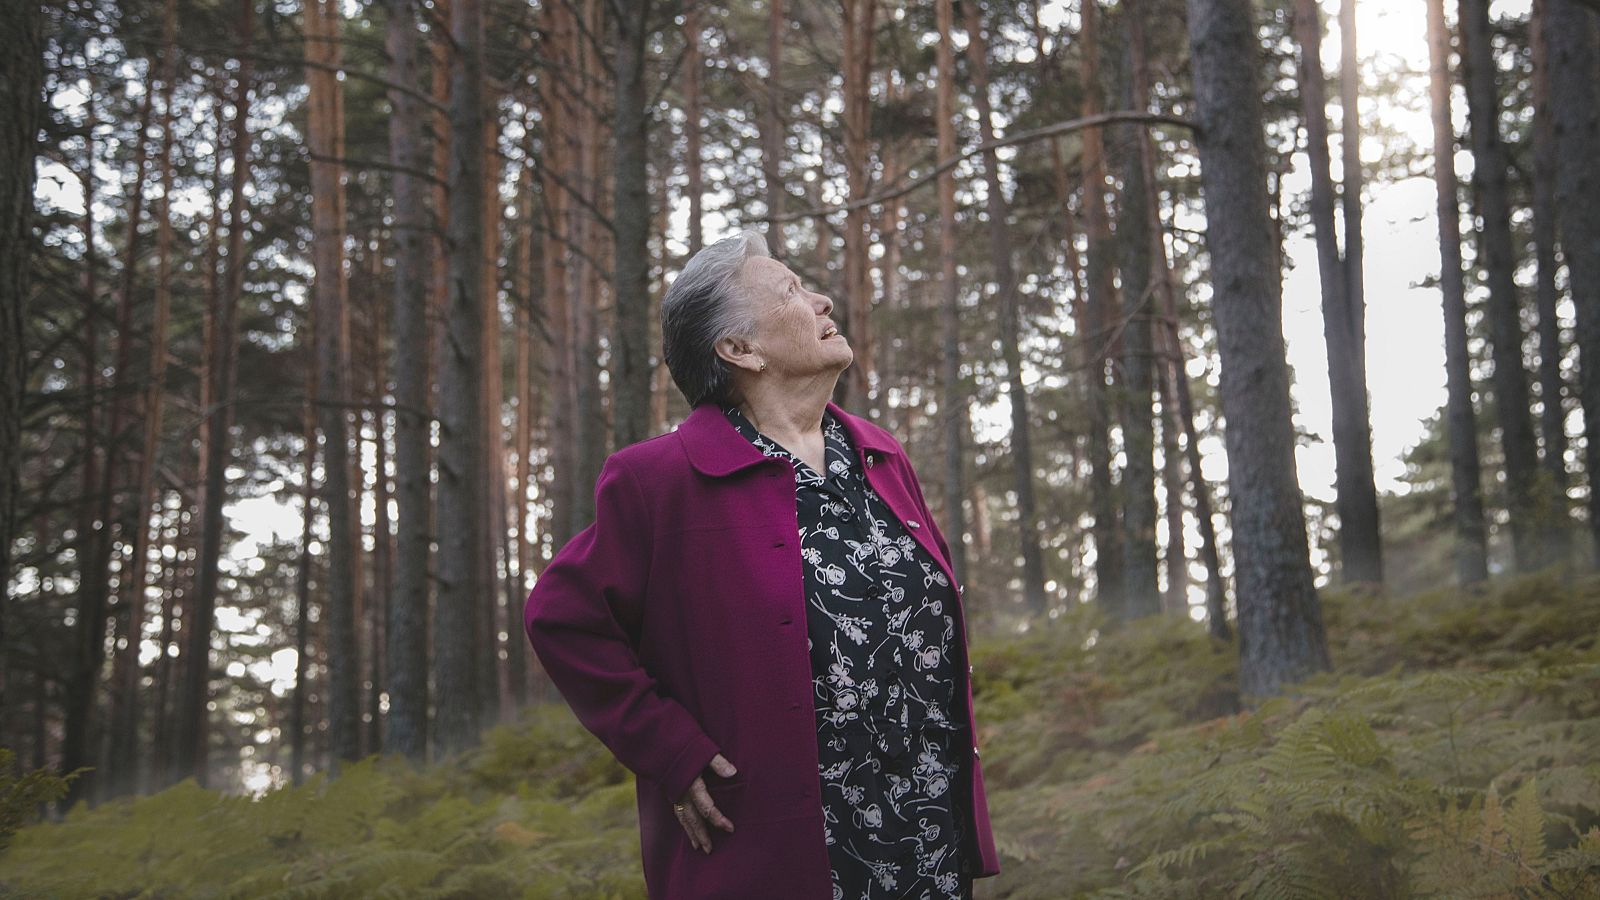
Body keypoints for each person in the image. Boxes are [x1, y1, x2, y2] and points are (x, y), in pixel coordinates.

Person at [523, 229, 999, 898]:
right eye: (792, 291)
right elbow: (561, 619)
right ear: (738, 350)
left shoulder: (881, 455)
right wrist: (668, 751)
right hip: (775, 854)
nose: (823, 299)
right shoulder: (659, 481)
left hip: (924, 838)